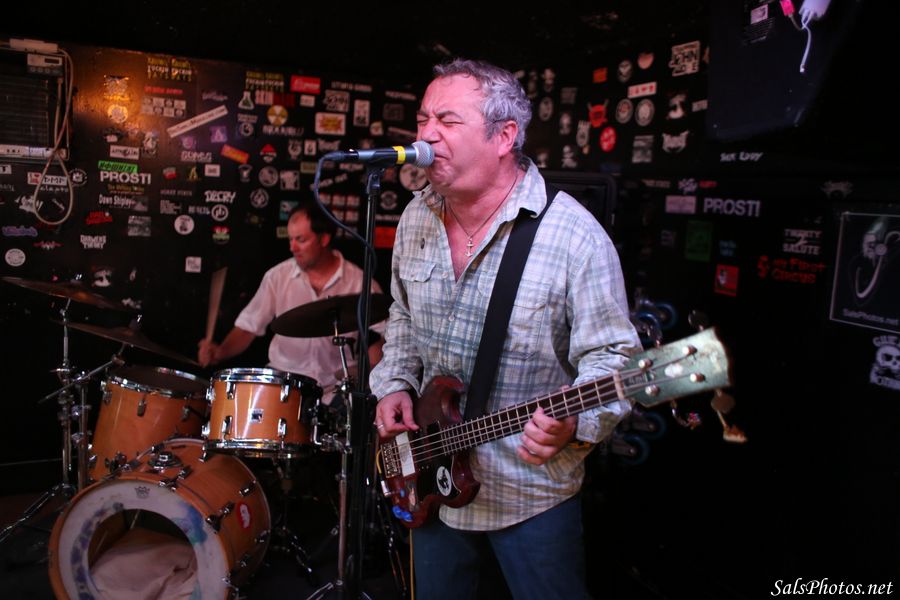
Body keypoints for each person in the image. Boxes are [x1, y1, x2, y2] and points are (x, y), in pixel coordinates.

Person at [369, 59, 641, 599]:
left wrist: (575, 422)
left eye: (448, 120)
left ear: (504, 136)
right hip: (432, 480)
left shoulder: (573, 236)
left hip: (530, 495)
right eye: (423, 120)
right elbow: (401, 315)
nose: (426, 135)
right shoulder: (415, 217)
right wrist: (394, 383)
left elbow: (617, 360)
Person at [198, 198, 383, 389]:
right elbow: (248, 328)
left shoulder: (360, 282)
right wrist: (220, 352)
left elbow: (389, 332)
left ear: (324, 239)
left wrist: (374, 365)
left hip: (337, 387)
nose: (292, 248)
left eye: (300, 240)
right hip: (284, 384)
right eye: (290, 239)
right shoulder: (277, 276)